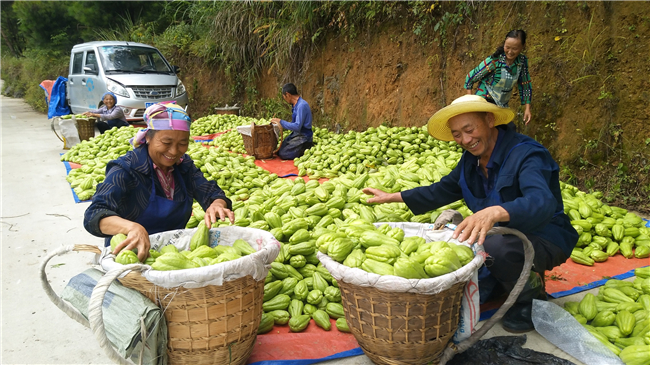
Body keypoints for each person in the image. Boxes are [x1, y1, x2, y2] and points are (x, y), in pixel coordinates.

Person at [362, 95, 578, 333]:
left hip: (544, 237)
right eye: (457, 134)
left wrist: (496, 212)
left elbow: (541, 201)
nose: (465, 140)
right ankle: (505, 278)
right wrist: (394, 196)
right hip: (499, 237)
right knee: (471, 279)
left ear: (489, 120)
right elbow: (442, 190)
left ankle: (531, 299)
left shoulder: (527, 154)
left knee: (496, 249)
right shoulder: (470, 161)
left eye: (469, 129)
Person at [83, 103, 234, 261]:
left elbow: (210, 192)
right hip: (130, 256)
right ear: (148, 137)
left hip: (172, 255)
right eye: (166, 143)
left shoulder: (184, 166)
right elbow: (94, 214)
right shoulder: (126, 169)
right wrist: (131, 227)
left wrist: (217, 204)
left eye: (183, 144)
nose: (174, 151)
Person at [464, 30, 532, 125]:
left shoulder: (522, 62)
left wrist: (527, 109)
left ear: (523, 46)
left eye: (515, 49)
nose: (510, 52)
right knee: (490, 128)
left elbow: (525, 84)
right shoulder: (494, 61)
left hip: (502, 104)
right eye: (507, 47)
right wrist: (470, 101)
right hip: (485, 100)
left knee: (507, 129)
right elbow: (470, 78)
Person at [270, 83, 313, 160]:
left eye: (284, 97)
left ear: (288, 95)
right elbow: (293, 125)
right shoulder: (295, 105)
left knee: (284, 154)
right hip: (296, 134)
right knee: (279, 149)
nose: (285, 100)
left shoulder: (301, 106)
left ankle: (306, 148)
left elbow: (297, 127)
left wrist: (281, 122)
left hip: (304, 136)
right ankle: (299, 147)